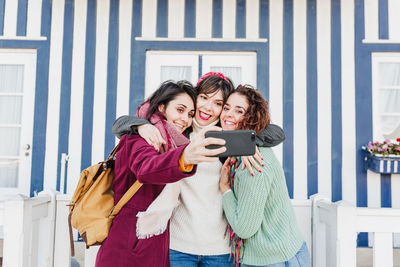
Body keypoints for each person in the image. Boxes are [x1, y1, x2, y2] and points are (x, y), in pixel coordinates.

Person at [112, 73, 286, 267]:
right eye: (203, 97)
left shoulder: (227, 137)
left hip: (220, 249)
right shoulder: (175, 130)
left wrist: (250, 142)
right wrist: (140, 125)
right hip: (178, 246)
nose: (208, 108)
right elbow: (120, 123)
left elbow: (276, 132)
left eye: (218, 103)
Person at [95, 81, 226, 267]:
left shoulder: (175, 140)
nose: (185, 119)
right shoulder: (141, 137)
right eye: (179, 110)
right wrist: (185, 157)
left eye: (190, 114)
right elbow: (147, 168)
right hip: (129, 246)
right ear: (162, 107)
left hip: (157, 245)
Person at [219, 85, 311, 267]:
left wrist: (225, 189)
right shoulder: (243, 152)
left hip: (273, 259)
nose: (228, 114)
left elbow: (245, 229)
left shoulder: (251, 162)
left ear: (251, 118)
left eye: (239, 111)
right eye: (226, 107)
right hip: (284, 252)